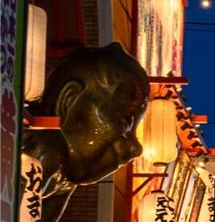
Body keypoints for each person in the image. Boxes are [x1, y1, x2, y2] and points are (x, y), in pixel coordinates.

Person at [22, 42, 150, 222]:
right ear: (69, 101)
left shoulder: (65, 178)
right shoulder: (42, 149)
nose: (135, 149)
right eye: (126, 122)